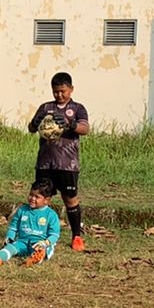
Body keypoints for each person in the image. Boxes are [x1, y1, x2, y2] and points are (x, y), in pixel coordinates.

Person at [28, 72, 91, 251]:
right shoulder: (46, 107)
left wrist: (70, 125)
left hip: (67, 164)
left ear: (71, 89)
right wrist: (35, 122)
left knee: (70, 199)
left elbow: (85, 128)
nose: (59, 95)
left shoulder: (78, 108)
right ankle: (36, 234)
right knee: (40, 197)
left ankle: (76, 236)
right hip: (45, 163)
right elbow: (32, 128)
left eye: (63, 91)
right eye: (56, 92)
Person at [0, 178, 62, 265]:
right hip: (22, 242)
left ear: (46, 200)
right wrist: (9, 238)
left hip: (40, 244)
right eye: (31, 195)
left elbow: (54, 235)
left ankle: (35, 259)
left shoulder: (51, 215)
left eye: (37, 197)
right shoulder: (22, 210)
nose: (32, 198)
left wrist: (46, 242)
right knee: (10, 247)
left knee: (40, 251)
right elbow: (13, 228)